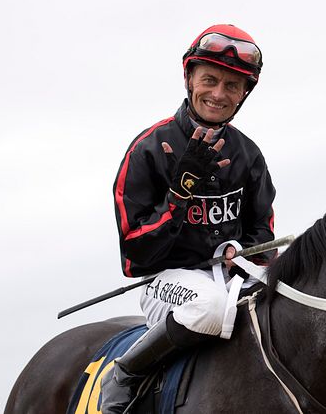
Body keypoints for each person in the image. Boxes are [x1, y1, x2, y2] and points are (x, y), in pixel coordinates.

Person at [101, 24, 276, 413]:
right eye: (210, 80)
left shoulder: (249, 156)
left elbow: (262, 232)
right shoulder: (147, 149)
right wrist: (179, 195)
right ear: (188, 77)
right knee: (212, 308)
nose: (219, 94)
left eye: (233, 86)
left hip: (232, 278)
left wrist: (240, 250)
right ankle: (127, 373)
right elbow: (135, 255)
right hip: (165, 281)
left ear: (244, 93)